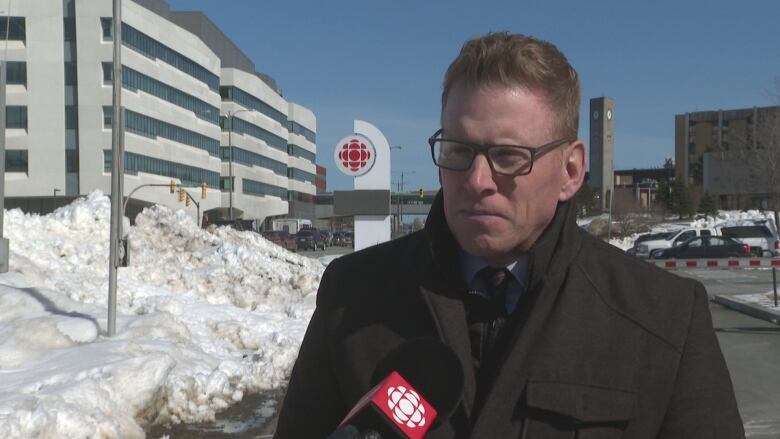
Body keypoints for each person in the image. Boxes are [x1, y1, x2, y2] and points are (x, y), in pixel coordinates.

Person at [274, 32, 744, 438]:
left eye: (508, 155)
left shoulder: (662, 317)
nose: (477, 179)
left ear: (572, 169)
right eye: (459, 150)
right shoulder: (353, 296)